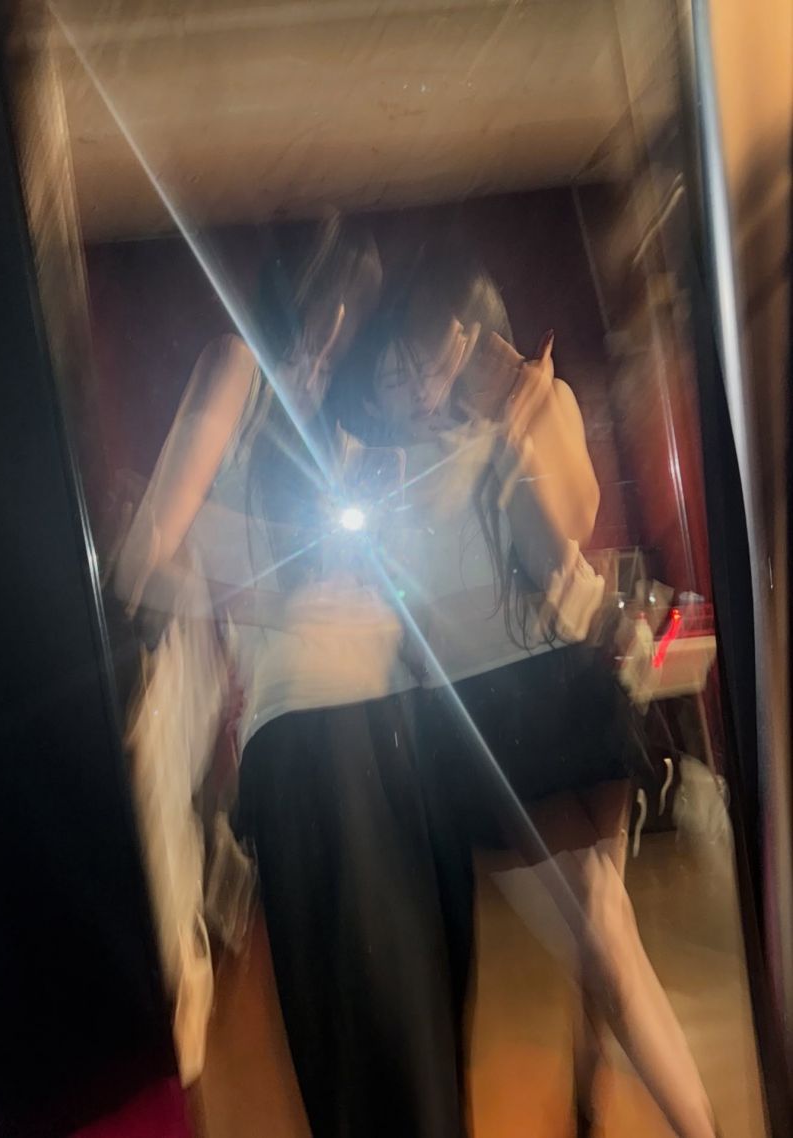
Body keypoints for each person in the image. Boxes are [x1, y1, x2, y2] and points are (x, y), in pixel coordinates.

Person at [339, 235, 717, 1138]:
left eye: (420, 366)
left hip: (566, 692)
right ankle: (634, 1099)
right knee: (606, 934)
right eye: (392, 375)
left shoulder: (508, 426)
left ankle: (631, 1094)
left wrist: (519, 436)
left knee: (607, 932)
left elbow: (558, 552)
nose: (411, 387)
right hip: (488, 719)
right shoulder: (372, 475)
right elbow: (397, 621)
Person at [115, 218, 473, 1138]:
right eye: (337, 306)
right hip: (291, 736)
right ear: (305, 295)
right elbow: (141, 565)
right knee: (354, 1031)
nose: (342, 332)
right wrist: (284, 602)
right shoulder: (237, 365)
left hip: (375, 724)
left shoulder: (328, 413)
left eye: (357, 317)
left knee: (415, 1021)